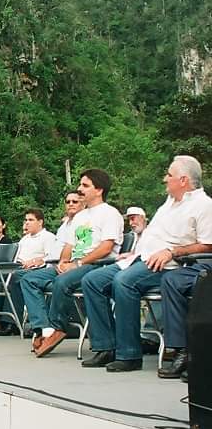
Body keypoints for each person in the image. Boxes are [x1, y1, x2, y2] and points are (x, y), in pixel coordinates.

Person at [81, 155, 212, 372]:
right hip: (140, 257)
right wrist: (133, 252)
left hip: (171, 263)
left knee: (124, 282)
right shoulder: (169, 203)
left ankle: (129, 354)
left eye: (169, 175)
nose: (164, 179)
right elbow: (153, 235)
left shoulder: (204, 205)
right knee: (92, 280)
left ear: (183, 180)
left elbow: (208, 245)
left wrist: (172, 252)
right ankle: (107, 346)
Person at [21, 168, 123, 358]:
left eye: (85, 185)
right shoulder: (80, 217)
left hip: (97, 264)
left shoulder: (110, 213)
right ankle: (43, 329)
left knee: (62, 281)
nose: (80, 189)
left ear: (99, 190)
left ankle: (58, 327)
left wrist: (77, 264)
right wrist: (63, 261)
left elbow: (107, 247)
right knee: (29, 279)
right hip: (74, 264)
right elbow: (69, 245)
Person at [0, 209, 59, 336]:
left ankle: (11, 322)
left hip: (38, 270)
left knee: (15, 277)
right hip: (19, 267)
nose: (27, 223)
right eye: (26, 220)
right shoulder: (25, 239)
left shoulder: (48, 237)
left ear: (40, 222)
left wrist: (37, 260)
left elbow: (52, 257)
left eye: (31, 220)